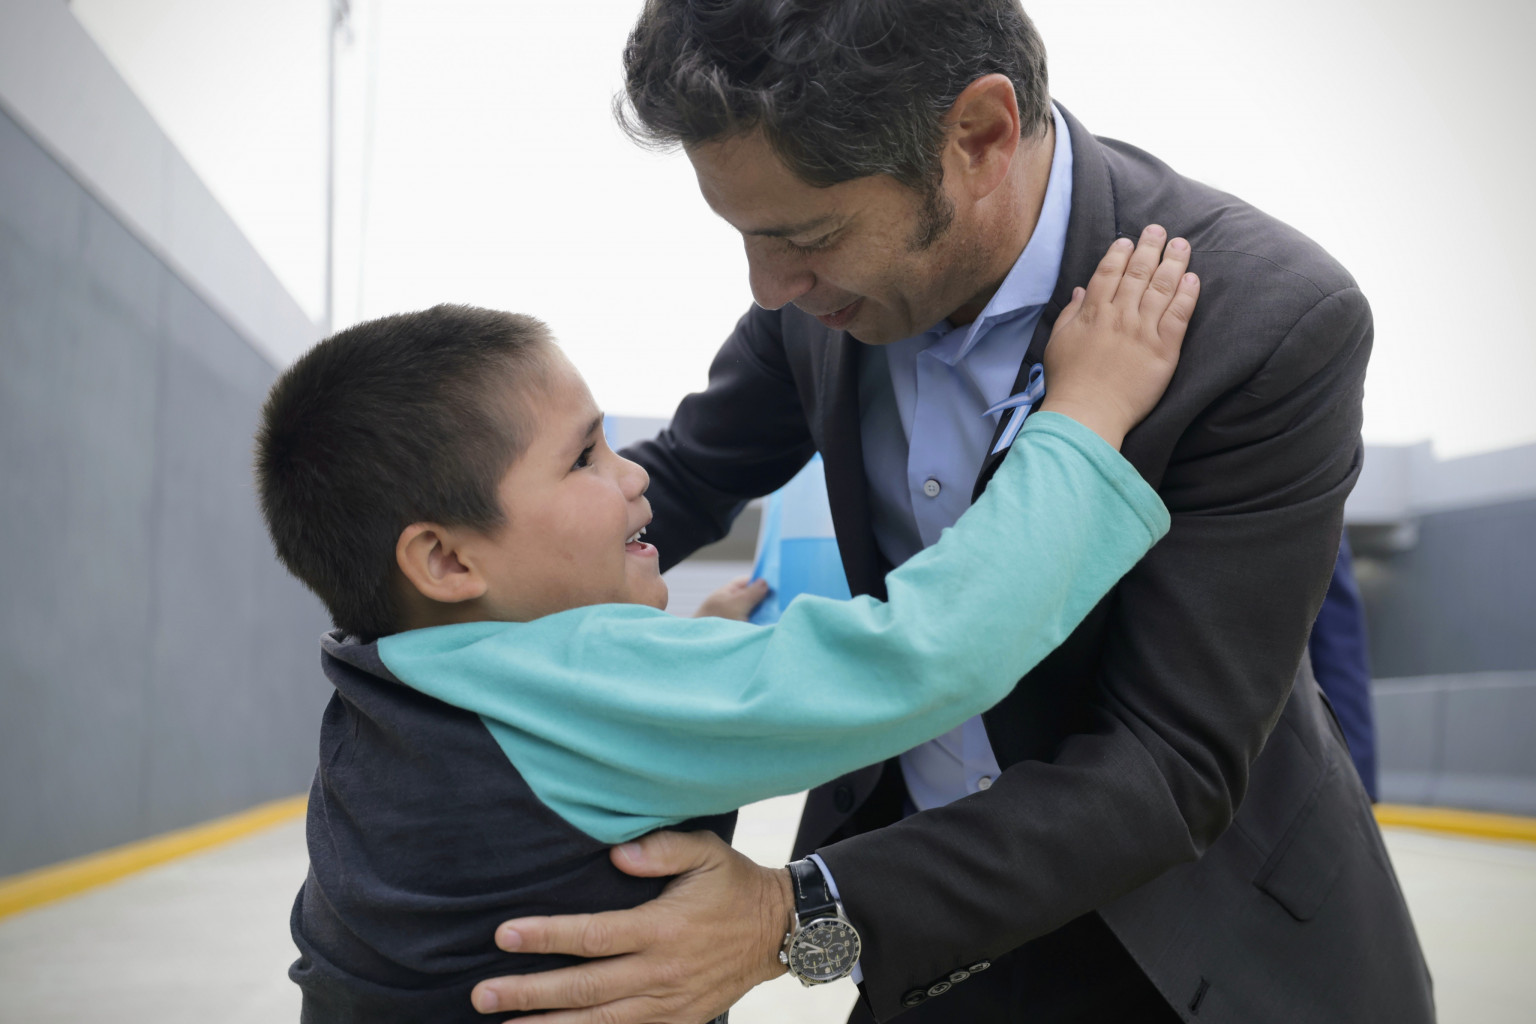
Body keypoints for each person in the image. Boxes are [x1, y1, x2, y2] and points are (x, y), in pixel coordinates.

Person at [466, 2, 1434, 1022]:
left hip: (1191, 953)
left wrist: (789, 917)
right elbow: (680, 481)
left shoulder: (1267, 318)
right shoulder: (816, 298)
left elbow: (1168, 762)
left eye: (807, 236)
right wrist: (406, 606)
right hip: (920, 937)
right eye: (746, 235)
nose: (770, 287)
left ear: (979, 136)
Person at [252, 240, 1192, 1021]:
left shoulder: (382, 691)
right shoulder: (598, 684)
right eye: (584, 458)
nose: (633, 475)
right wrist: (1087, 415)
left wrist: (695, 645)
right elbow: (928, 651)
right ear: (447, 562)